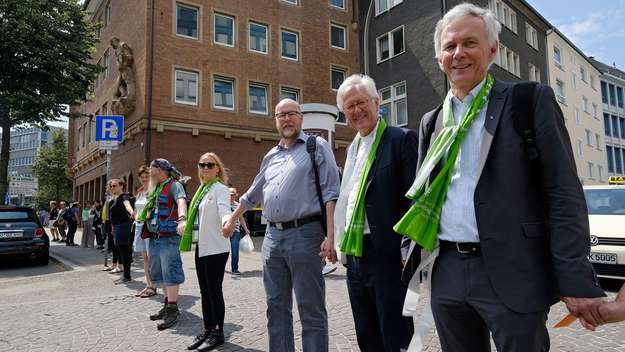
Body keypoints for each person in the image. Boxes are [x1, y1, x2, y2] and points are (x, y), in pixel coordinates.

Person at [398, 4, 605, 351]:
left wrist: (576, 277)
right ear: (438, 58)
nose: (458, 54)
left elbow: (563, 193)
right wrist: (411, 250)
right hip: (447, 271)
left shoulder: (529, 100)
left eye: (470, 43)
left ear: (493, 50)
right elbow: (423, 195)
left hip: (515, 271)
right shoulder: (431, 121)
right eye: (449, 47)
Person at [224, 98, 340, 352]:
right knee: (275, 307)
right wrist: (232, 219)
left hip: (306, 235)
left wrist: (330, 237)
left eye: (291, 114)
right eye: (281, 115)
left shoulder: (315, 146)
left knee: (310, 308)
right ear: (275, 121)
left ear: (300, 117)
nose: (286, 119)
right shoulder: (271, 155)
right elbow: (253, 193)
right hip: (272, 238)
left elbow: (331, 192)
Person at [332, 74, 417, 352]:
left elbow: (415, 200)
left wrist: (409, 249)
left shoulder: (401, 140)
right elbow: (347, 199)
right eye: (349, 107)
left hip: (389, 256)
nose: (356, 111)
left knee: (394, 332)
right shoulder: (352, 149)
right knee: (365, 331)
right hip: (355, 254)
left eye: (361, 103)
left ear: (377, 102)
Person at [186, 153, 233, 351]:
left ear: (217, 169)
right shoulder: (201, 190)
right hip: (202, 247)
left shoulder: (220, 189)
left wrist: (227, 222)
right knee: (204, 291)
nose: (205, 168)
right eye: (202, 165)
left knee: (214, 291)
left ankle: (218, 333)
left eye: (209, 165)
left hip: (216, 247)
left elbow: (224, 209)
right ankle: (207, 329)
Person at [138, 158, 187, 330]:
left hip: (169, 236)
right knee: (159, 271)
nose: (149, 172)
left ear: (161, 170)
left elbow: (181, 201)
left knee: (170, 269)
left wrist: (182, 219)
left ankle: (173, 308)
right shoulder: (157, 187)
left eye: (152, 168)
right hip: (156, 235)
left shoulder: (174, 185)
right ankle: (167, 305)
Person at [133, 165, 158, 298]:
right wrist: (135, 215)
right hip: (139, 226)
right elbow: (137, 209)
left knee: (151, 256)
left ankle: (153, 285)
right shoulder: (140, 192)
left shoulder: (154, 191)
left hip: (149, 227)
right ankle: (148, 284)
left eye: (146, 176)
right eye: (142, 177)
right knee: (144, 258)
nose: (144, 179)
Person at [108, 179, 135, 284]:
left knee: (125, 252)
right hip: (118, 227)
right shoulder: (115, 198)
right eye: (111, 186)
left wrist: (132, 212)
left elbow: (127, 205)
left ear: (121, 186)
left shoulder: (124, 196)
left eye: (114, 186)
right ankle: (126, 275)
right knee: (122, 251)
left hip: (124, 227)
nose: (112, 188)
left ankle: (127, 276)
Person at [228, 187, 250, 275]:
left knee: (235, 250)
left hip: (236, 231)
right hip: (224, 232)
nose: (232, 196)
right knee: (223, 252)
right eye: (230, 195)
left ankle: (234, 269)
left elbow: (241, 218)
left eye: (233, 195)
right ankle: (220, 267)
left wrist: (246, 229)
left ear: (236, 195)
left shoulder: (238, 205)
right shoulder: (223, 204)